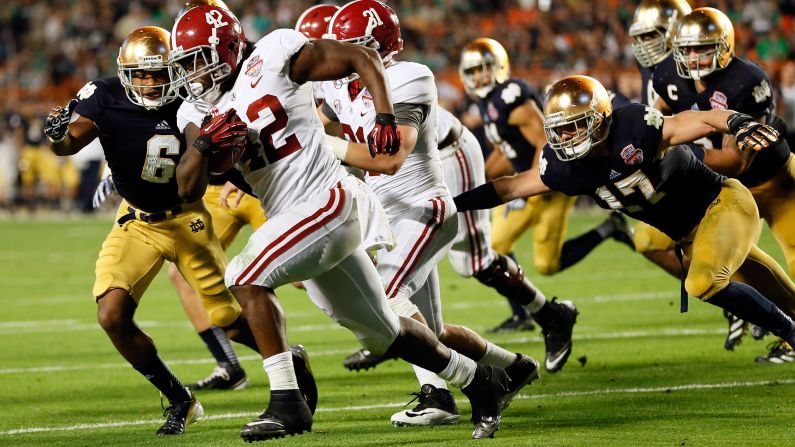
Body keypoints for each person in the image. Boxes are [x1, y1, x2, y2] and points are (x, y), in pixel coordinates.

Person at [170, 5, 524, 440]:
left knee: (243, 273)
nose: (191, 73)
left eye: (195, 60)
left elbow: (362, 57)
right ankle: (479, 381)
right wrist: (205, 145)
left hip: (327, 198)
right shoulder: (194, 111)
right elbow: (187, 187)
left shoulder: (275, 53)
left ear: (225, 48)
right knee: (385, 333)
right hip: (292, 215)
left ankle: (287, 402)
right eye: (183, 65)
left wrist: (384, 116)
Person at [44, 26, 315, 436]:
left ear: (176, 68)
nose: (150, 83)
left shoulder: (194, 101)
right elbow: (70, 144)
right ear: (124, 72)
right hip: (136, 221)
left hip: (189, 218)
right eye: (140, 74)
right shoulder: (104, 94)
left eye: (158, 73)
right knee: (111, 314)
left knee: (230, 318)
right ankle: (179, 399)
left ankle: (286, 358)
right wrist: (58, 136)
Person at [453, 75, 795, 359]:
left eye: (575, 126)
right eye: (560, 129)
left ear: (601, 118)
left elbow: (697, 120)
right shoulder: (562, 169)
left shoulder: (634, 127)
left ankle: (789, 334)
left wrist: (736, 121)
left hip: (722, 204)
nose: (566, 138)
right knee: (774, 289)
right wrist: (453, 205)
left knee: (702, 283)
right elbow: (510, 188)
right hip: (690, 231)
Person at [315, 0, 541, 427]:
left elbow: (390, 159)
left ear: (378, 46)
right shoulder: (344, 87)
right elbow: (317, 114)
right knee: (430, 334)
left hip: (424, 211)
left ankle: (465, 386)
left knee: (383, 301)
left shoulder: (408, 78)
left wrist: (324, 145)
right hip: (391, 216)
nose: (346, 57)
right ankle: (513, 366)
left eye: (355, 47)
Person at [457, 37, 633, 332]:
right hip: (528, 182)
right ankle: (522, 314)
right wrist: (481, 178)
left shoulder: (510, 99)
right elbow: (505, 151)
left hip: (549, 184)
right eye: (471, 72)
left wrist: (534, 183)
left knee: (546, 264)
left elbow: (543, 141)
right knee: (498, 243)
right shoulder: (490, 104)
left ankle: (608, 229)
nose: (477, 77)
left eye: (482, 69)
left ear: (499, 67)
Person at [653, 8, 795, 360]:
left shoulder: (746, 81)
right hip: (725, 192)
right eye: (686, 49)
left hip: (774, 184)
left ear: (724, 47)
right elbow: (656, 118)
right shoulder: (668, 75)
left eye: (702, 49)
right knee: (744, 269)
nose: (692, 57)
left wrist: (678, 150)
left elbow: (736, 160)